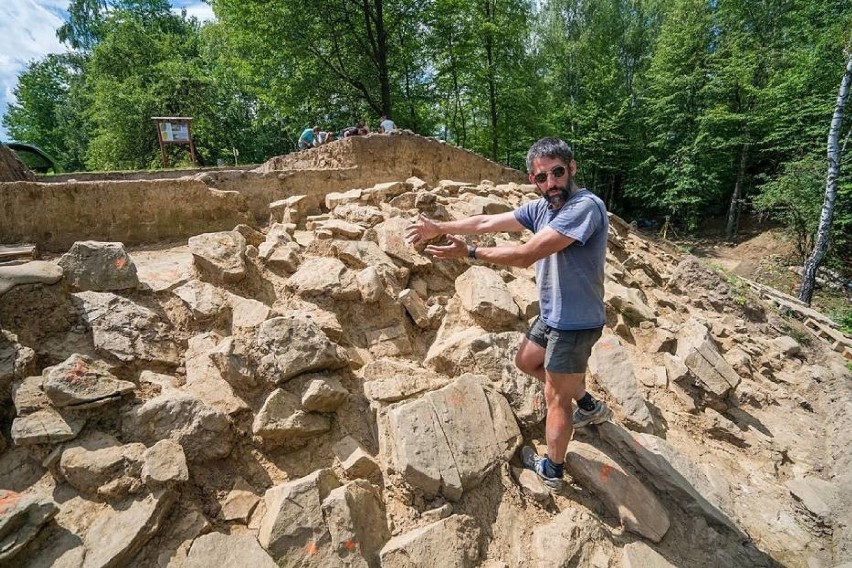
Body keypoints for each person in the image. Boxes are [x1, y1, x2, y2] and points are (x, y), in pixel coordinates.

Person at [404, 137, 611, 490]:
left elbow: (525, 254)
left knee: (555, 398)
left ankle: (553, 470)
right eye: (541, 177)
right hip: (552, 315)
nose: (551, 183)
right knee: (528, 362)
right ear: (533, 180)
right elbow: (486, 221)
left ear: (571, 169)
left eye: (557, 173)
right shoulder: (542, 208)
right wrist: (440, 228)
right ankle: (587, 403)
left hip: (575, 322)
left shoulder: (585, 207)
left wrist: (468, 253)